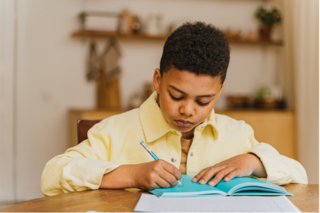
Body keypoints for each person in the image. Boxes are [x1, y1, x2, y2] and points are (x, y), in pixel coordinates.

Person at [41, 22, 307, 196]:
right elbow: (52, 176)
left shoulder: (237, 134)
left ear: (220, 92)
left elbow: (300, 175)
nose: (188, 110)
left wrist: (254, 161)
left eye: (204, 101)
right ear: (157, 80)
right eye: (176, 95)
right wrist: (131, 174)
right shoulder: (115, 131)